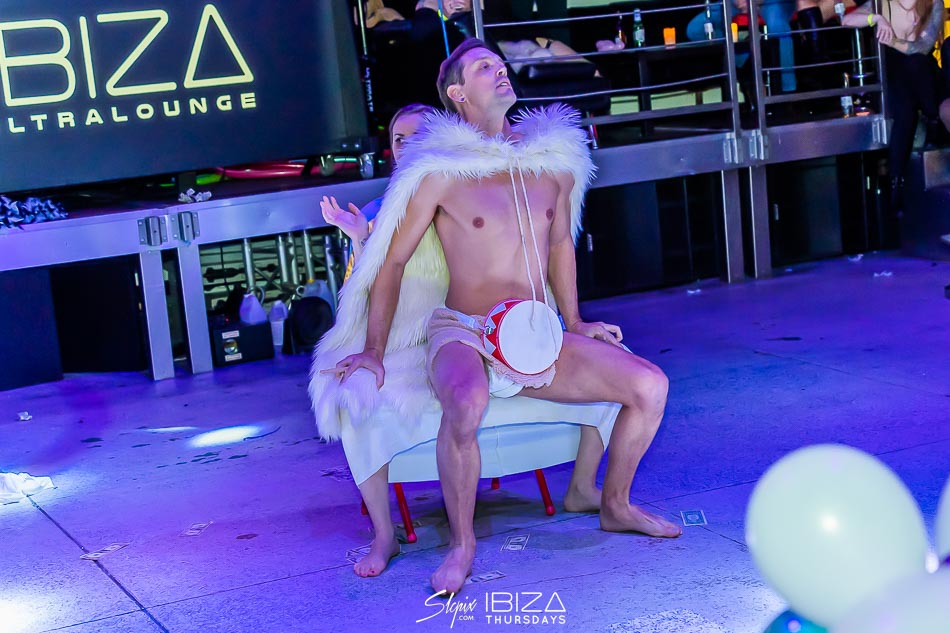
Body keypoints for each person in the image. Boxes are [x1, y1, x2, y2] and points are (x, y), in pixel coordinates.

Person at [311, 38, 680, 595]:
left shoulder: (552, 163)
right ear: (458, 93)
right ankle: (462, 545)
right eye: (485, 67)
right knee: (465, 401)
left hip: (534, 330)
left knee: (650, 386)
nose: (500, 71)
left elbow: (561, 246)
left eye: (502, 65)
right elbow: (391, 264)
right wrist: (374, 349)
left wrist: (576, 321)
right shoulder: (439, 171)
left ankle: (615, 504)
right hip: (465, 330)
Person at [842, 0, 946, 204]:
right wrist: (876, 19)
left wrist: (892, 41)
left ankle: (933, 121)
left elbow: (923, 47)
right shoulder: (882, 3)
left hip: (923, 74)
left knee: (917, 64)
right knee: (905, 108)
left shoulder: (934, 2)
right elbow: (846, 20)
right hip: (897, 75)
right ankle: (895, 184)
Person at [320, 103, 435, 281]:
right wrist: (360, 237)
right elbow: (362, 291)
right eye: (399, 140)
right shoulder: (373, 213)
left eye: (418, 136)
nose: (406, 146)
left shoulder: (464, 201)